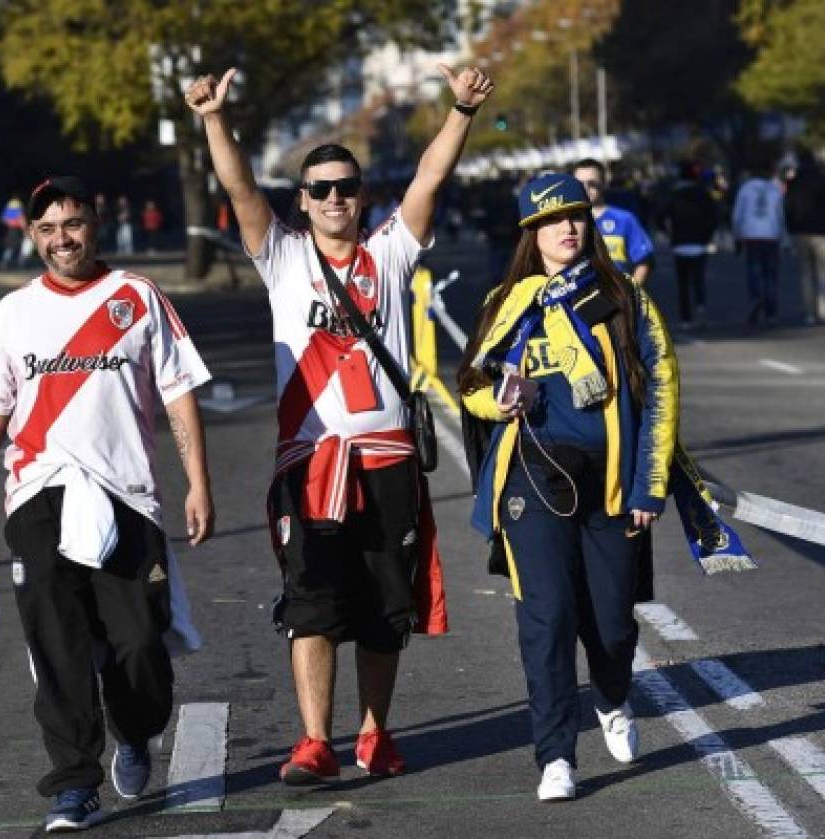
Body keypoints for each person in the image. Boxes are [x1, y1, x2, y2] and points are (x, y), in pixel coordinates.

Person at [185, 62, 484, 784]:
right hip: (313, 463)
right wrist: (212, 118)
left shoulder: (390, 250)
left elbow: (429, 180)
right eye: (320, 189)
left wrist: (461, 111)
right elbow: (239, 189)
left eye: (346, 187)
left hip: (385, 460)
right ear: (304, 200)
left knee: (386, 606)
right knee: (312, 604)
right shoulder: (283, 256)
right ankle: (315, 739)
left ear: (361, 196)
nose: (334, 199)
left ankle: (375, 733)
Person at [457, 172, 751, 802]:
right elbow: (472, 385)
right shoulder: (506, 302)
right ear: (529, 233)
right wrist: (498, 403)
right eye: (551, 220)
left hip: (613, 482)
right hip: (532, 476)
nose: (567, 228)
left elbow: (663, 389)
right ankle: (555, 757)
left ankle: (612, 698)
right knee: (548, 616)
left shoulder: (625, 298)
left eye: (577, 216)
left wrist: (650, 487)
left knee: (613, 624)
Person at [0, 176, 215, 831]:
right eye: (47, 228)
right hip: (37, 496)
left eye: (72, 223)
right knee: (57, 644)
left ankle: (135, 729)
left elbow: (180, 391)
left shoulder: (136, 296)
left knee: (139, 645)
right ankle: (73, 782)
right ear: (31, 234)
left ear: (94, 223)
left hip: (126, 496)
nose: (61, 238)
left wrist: (198, 482)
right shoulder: (12, 313)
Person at [572, 158, 654, 287]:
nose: (586, 188)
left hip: (618, 297)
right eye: (580, 184)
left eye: (592, 183)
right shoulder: (565, 222)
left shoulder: (625, 219)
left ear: (604, 183)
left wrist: (631, 294)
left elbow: (643, 261)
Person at [784, 149, 825, 325]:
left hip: (802, 232)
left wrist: (791, 228)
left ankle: (809, 312)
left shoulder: (795, 183)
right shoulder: (824, 181)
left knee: (806, 273)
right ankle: (823, 304)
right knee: (823, 270)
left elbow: (788, 208)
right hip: (822, 231)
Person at [658, 161, 718, 329]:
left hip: (680, 243)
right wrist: (708, 235)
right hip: (699, 243)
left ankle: (686, 318)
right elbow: (714, 216)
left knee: (682, 283)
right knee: (698, 280)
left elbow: (660, 216)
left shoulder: (674, 194)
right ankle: (701, 308)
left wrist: (668, 233)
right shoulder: (703, 194)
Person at [732, 159, 787, 326]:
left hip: (752, 234)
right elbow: (780, 215)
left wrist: (737, 235)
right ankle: (771, 310)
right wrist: (784, 238)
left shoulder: (745, 189)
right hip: (771, 234)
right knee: (771, 274)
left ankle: (756, 298)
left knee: (754, 272)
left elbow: (737, 215)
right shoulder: (774, 189)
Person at [0, 194, 27, 268]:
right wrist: (25, 229)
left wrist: (10, 223)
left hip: (10, 229)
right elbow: (21, 218)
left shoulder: (9, 205)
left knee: (10, 246)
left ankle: (4, 262)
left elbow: (3, 219)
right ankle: (19, 264)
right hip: (16, 230)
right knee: (19, 246)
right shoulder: (19, 205)